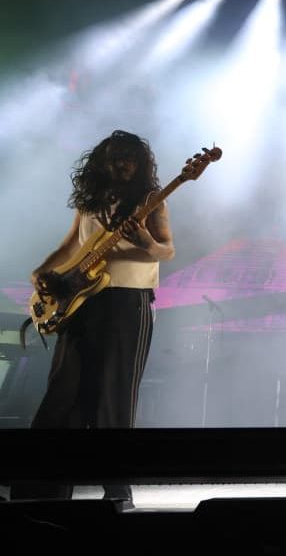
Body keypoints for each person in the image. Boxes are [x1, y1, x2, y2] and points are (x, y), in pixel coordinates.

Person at [16, 130, 174, 506]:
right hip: (81, 301)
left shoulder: (150, 200)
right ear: (103, 161)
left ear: (140, 163)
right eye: (116, 157)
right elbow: (71, 243)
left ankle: (117, 491)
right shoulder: (91, 201)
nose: (122, 164)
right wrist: (42, 271)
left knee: (114, 397)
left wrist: (146, 243)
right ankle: (43, 490)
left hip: (128, 302)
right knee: (62, 393)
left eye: (129, 157)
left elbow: (166, 251)